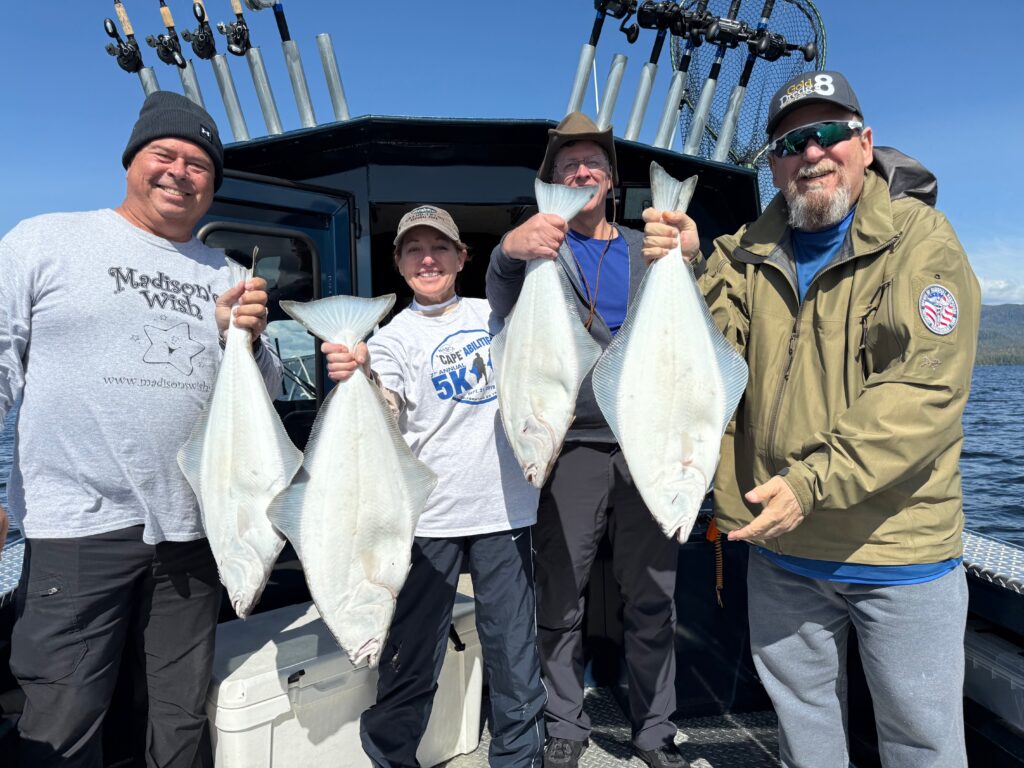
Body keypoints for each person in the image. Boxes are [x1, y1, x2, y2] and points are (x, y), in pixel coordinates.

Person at [643, 71, 979, 767]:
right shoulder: (745, 252)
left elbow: (924, 391)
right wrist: (691, 263)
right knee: (805, 735)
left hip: (896, 550)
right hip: (782, 554)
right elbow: (705, 362)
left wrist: (810, 484)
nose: (813, 153)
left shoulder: (923, 242)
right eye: (793, 141)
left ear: (864, 143)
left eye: (830, 133)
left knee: (921, 741)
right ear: (773, 164)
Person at [0, 91, 280, 767]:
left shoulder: (231, 275)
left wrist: (248, 341)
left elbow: (264, 399)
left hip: (192, 532)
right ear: (132, 161)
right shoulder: (44, 240)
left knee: (178, 720)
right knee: (62, 718)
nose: (180, 172)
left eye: (198, 164)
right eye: (166, 154)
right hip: (77, 527)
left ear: (212, 184)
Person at [486, 113, 689, 768]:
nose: (581, 172)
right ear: (552, 181)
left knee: (653, 599)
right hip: (570, 443)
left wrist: (693, 252)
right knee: (560, 598)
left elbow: (691, 319)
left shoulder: (644, 249)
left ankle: (655, 734)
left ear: (611, 180)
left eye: (592, 164)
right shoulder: (537, 255)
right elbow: (499, 290)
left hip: (648, 442)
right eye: (567, 165)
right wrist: (509, 248)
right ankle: (566, 727)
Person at [325, 205, 546, 768]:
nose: (428, 258)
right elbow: (388, 408)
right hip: (427, 519)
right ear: (398, 265)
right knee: (410, 655)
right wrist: (363, 375)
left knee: (514, 656)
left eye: (440, 247)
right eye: (414, 250)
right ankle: (391, 756)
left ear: (461, 257)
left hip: (506, 510)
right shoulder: (391, 337)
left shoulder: (495, 312)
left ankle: (520, 760)